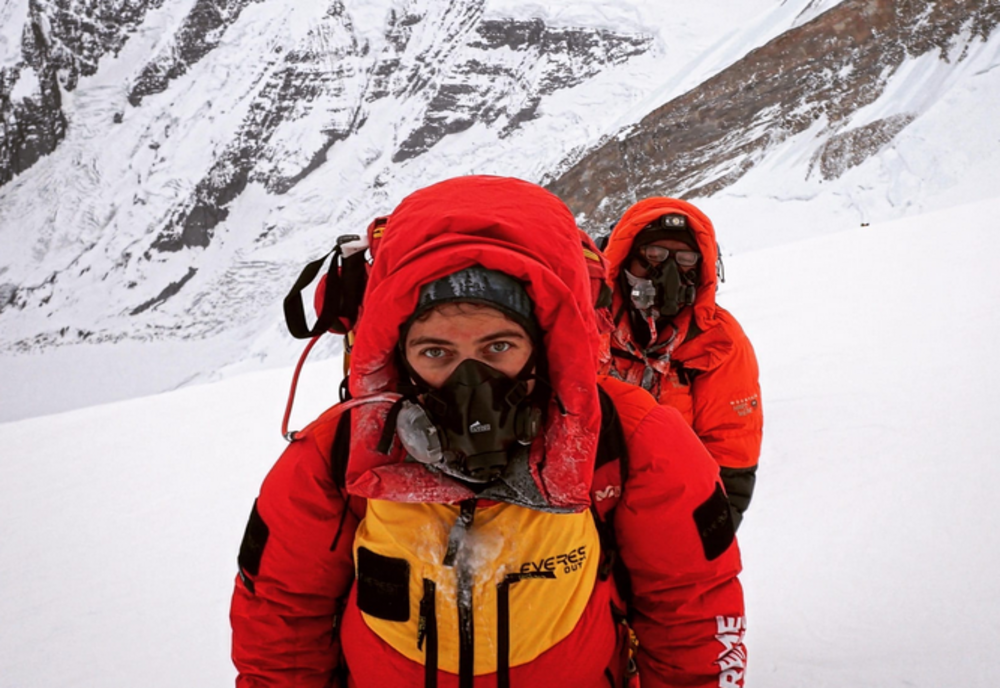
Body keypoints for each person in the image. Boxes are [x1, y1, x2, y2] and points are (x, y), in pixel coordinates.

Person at [230, 176, 747, 688]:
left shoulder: (631, 439)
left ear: (547, 344)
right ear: (397, 352)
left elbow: (693, 615)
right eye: (436, 352)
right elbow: (281, 622)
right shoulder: (339, 452)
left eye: (499, 347)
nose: (468, 380)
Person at [599, 198, 762, 530]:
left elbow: (731, 448)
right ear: (623, 259)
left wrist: (709, 531)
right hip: (582, 514)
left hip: (667, 516)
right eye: (654, 255)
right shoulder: (587, 327)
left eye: (686, 259)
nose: (669, 272)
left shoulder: (717, 342)